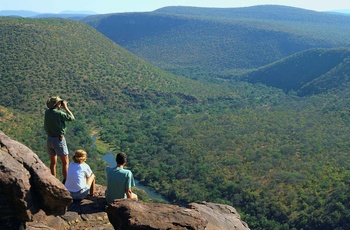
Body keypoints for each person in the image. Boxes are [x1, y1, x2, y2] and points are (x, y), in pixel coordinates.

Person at [44, 96, 75, 183]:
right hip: (59, 140)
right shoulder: (59, 113)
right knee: (65, 162)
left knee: (53, 162)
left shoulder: (47, 112)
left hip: (49, 139)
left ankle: (53, 181)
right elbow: (72, 118)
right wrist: (66, 107)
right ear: (57, 104)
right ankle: (66, 182)